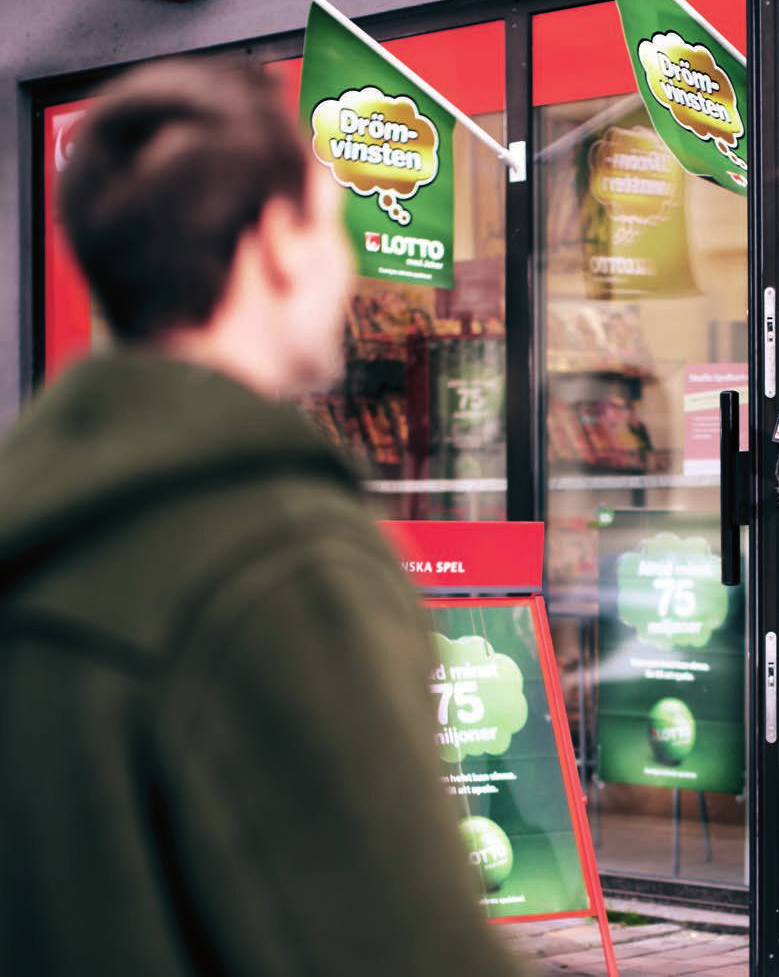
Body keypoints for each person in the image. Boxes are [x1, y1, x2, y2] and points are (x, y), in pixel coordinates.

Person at [0, 57, 529, 977]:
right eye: (333, 225)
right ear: (277, 241)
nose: (351, 261)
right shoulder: (277, 560)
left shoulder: (41, 522)